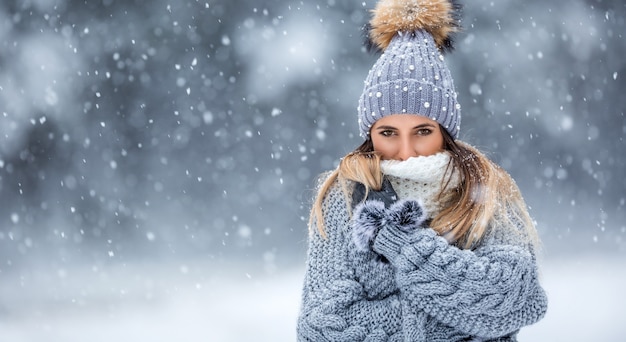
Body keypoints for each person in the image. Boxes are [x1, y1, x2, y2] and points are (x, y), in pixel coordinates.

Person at [296, 0, 548, 341]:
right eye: (388, 133)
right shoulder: (345, 196)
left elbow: (515, 296)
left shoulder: (487, 190)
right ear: (369, 134)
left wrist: (404, 246)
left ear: (445, 131)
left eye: (423, 132)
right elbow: (320, 328)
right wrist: (464, 319)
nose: (404, 152)